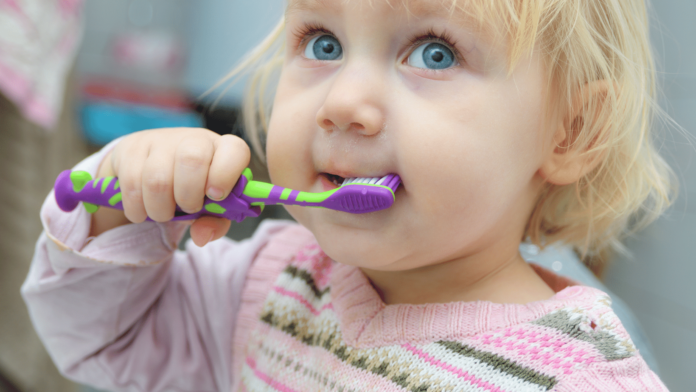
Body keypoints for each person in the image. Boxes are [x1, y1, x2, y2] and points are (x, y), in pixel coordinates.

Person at [22, 0, 674, 390]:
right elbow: (103, 343)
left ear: (571, 130)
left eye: (435, 54)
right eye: (323, 44)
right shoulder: (269, 281)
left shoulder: (578, 379)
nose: (341, 104)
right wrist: (120, 207)